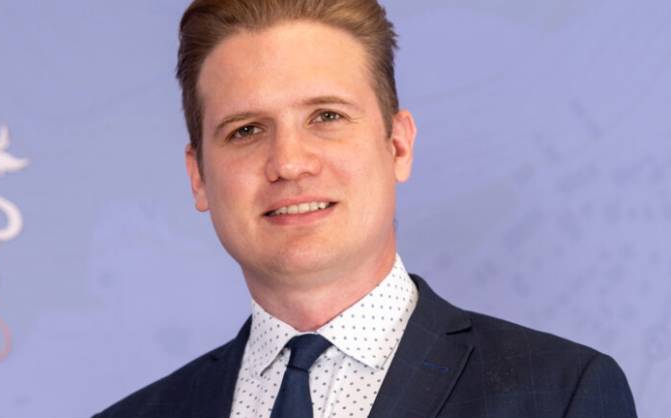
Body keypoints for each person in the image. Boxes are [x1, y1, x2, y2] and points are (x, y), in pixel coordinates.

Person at [95, 0, 637, 417]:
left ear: (397, 145)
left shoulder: (561, 395)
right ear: (199, 177)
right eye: (247, 130)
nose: (289, 163)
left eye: (326, 117)